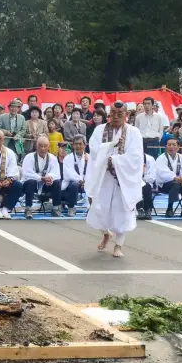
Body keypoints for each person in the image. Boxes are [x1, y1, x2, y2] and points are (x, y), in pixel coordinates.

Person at [85, 102, 143, 258]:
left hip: (123, 178)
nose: (116, 116)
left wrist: (115, 160)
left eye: (120, 113)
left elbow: (136, 157)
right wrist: (109, 148)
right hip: (103, 176)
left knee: (121, 211)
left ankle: (118, 245)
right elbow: (95, 150)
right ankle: (106, 234)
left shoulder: (134, 132)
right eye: (113, 113)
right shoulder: (99, 130)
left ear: (126, 115)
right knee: (98, 209)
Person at [22, 136, 62, 218]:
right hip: (32, 185)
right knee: (31, 182)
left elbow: (57, 173)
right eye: (40, 145)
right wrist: (40, 178)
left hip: (46, 184)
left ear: (48, 147)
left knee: (57, 182)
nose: (43, 148)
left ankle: (56, 208)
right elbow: (26, 173)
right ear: (36, 146)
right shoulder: (29, 157)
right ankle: (28, 209)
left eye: (45, 146)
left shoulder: (53, 158)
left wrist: (50, 177)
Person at [154, 138, 182, 218]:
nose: (171, 147)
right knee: (176, 183)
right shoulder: (161, 158)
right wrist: (177, 178)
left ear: (178, 147)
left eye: (174, 145)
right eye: (169, 144)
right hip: (164, 185)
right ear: (166, 147)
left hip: (180, 183)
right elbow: (162, 173)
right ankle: (169, 209)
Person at [62, 135, 89, 217]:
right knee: (74, 184)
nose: (78, 146)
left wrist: (86, 181)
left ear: (85, 145)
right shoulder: (68, 158)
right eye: (76, 144)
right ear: (73, 145)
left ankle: (92, 208)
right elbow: (68, 174)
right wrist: (80, 180)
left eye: (80, 144)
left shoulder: (90, 157)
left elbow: (92, 172)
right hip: (73, 184)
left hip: (87, 182)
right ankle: (71, 208)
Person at [136, 153, 156, 220]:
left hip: (146, 181)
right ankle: (139, 209)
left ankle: (148, 209)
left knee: (146, 186)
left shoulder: (150, 158)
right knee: (137, 186)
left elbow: (152, 175)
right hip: (132, 182)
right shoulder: (129, 157)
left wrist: (142, 180)